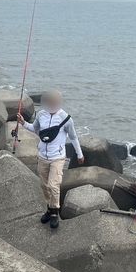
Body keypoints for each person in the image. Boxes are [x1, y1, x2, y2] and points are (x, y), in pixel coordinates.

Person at [17, 89, 84, 229]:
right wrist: (23, 123)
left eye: (56, 101)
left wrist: (79, 154)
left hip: (57, 158)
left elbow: (73, 137)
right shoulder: (41, 115)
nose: (53, 104)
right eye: (50, 101)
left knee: (54, 185)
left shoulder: (66, 119)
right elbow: (34, 129)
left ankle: (54, 213)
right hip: (42, 157)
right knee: (44, 186)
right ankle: (50, 208)